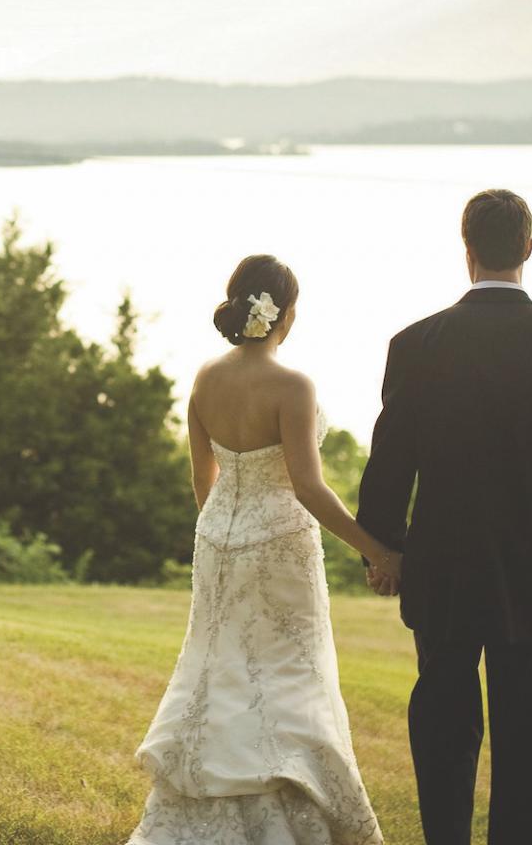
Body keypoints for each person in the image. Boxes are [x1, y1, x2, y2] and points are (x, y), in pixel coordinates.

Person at [356, 189, 532, 845]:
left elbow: (389, 460)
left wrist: (382, 548)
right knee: (526, 742)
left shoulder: (415, 343)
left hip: (441, 569)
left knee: (443, 734)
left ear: (466, 249)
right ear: (528, 248)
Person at [128, 254, 389, 845]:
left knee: (220, 668)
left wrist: (224, 533)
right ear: (285, 315)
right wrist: (378, 552)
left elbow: (204, 479)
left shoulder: (203, 379)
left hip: (218, 539)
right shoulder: (293, 385)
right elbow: (309, 486)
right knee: (290, 678)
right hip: (281, 545)